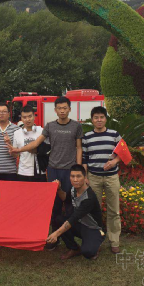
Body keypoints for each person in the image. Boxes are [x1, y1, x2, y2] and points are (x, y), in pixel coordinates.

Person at [9, 96, 83, 249]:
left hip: (69, 170)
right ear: (55, 110)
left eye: (65, 108)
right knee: (54, 206)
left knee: (70, 205)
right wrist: (19, 150)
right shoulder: (50, 126)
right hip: (53, 169)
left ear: (69, 109)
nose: (62, 111)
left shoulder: (76, 126)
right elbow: (36, 143)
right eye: (59, 108)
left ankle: (70, 241)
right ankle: (54, 239)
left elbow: (79, 148)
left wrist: (79, 170)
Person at [82, 106, 122, 254]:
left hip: (112, 177)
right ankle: (96, 240)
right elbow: (84, 158)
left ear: (106, 119)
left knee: (114, 210)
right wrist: (85, 177)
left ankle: (114, 241)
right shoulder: (87, 137)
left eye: (101, 117)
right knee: (94, 211)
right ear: (92, 120)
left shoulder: (114, 135)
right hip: (94, 177)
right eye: (96, 117)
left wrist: (114, 161)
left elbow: (123, 153)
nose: (99, 120)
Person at [46, 164, 105, 260]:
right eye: (72, 176)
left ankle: (97, 243)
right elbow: (65, 198)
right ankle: (74, 248)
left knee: (88, 252)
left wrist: (56, 234)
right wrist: (59, 189)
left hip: (93, 228)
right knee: (58, 219)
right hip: (80, 224)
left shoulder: (89, 197)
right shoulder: (74, 189)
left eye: (78, 176)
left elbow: (73, 219)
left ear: (85, 178)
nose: (75, 180)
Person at [13, 105, 47, 182]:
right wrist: (11, 148)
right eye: (24, 117)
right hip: (23, 172)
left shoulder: (42, 131)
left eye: (30, 116)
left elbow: (47, 150)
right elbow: (15, 155)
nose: (27, 119)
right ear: (21, 118)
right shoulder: (16, 133)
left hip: (40, 171)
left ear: (34, 116)